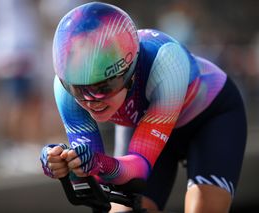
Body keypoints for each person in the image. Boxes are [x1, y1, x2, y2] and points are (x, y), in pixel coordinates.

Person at [40, 2, 247, 212]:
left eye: (104, 87)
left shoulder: (167, 61)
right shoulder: (63, 86)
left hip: (209, 119)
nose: (91, 101)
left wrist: (96, 163)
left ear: (130, 75)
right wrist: (65, 164)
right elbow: (94, 181)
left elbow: (137, 169)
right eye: (78, 89)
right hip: (144, 122)